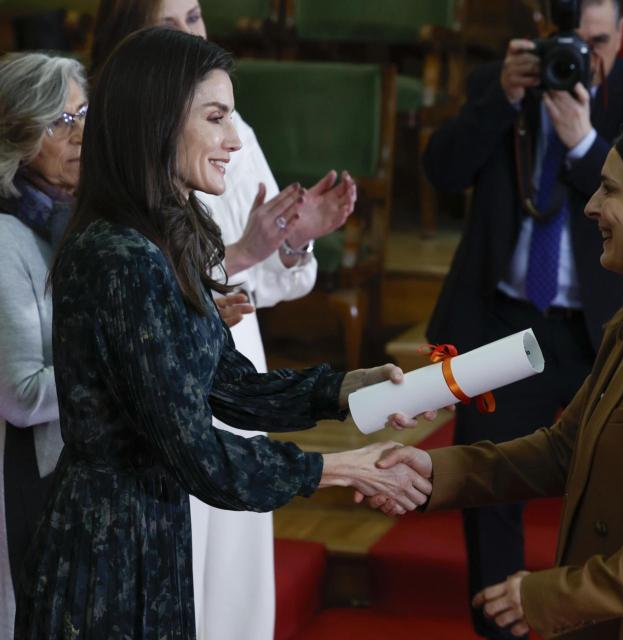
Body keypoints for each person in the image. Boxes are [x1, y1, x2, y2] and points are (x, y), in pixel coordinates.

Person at [13, 27, 431, 639]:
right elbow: (199, 455)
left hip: (151, 533)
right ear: (158, 122)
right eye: (217, 118)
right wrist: (344, 469)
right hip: (105, 554)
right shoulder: (119, 255)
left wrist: (343, 389)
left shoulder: (162, 238)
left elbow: (229, 386)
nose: (235, 141)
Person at [366, 118, 623, 639]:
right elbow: (565, 452)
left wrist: (552, 596)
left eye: (609, 190)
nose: (590, 206)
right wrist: (432, 471)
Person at [88, 2, 358, 638]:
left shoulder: (225, 127)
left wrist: (288, 243)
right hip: (158, 402)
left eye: (196, 15)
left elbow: (264, 275)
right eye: (170, 20)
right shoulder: (113, 155)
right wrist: (238, 257)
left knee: (232, 573)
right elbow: (157, 281)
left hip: (228, 356)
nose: (190, 32)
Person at [421, 1, 623, 635]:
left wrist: (585, 145)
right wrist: (501, 101)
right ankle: (498, 629)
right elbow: (441, 172)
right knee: (487, 487)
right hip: (506, 319)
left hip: (608, 326)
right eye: (572, 43)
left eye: (599, 43)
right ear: (541, 33)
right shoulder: (498, 84)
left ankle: (597, 624)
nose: (583, 62)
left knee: (620, 487)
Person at [0, 52, 89, 640]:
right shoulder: (7, 236)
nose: (80, 132)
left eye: (83, 113)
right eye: (60, 120)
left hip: (85, 469)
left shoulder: (79, 219)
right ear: (18, 135)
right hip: (35, 477)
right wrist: (125, 362)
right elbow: (22, 396)